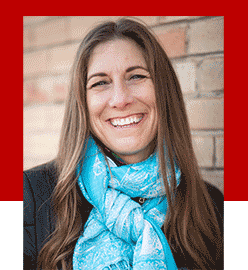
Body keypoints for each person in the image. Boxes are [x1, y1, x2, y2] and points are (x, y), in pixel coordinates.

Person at [24, 17, 223, 270]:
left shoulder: (213, 207)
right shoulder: (29, 197)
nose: (120, 99)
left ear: (164, 91)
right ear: (82, 103)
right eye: (100, 82)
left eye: (136, 76)